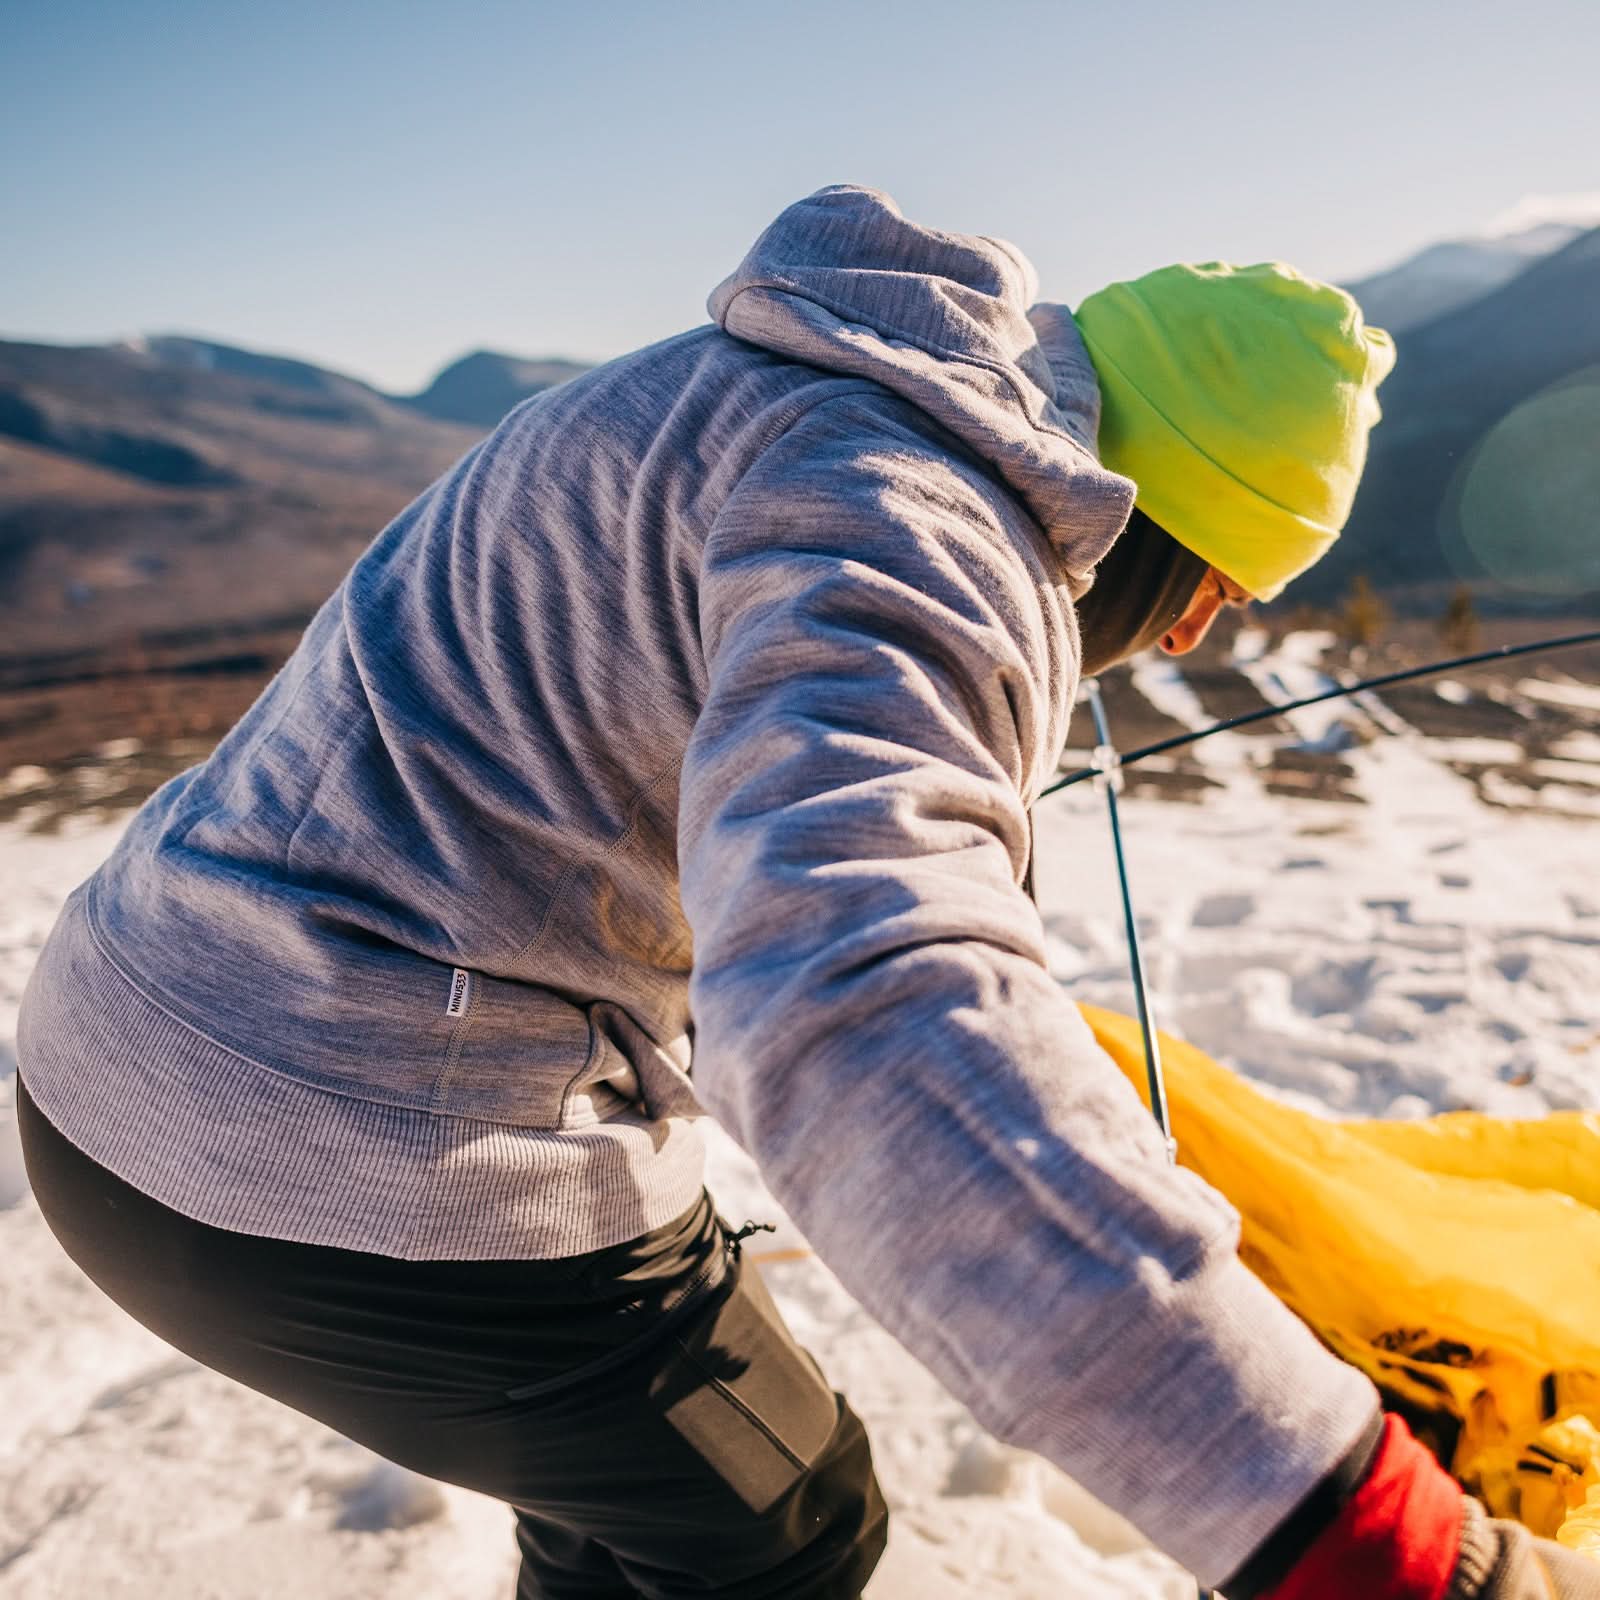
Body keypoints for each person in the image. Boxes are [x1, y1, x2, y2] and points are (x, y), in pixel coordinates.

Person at [13, 185, 1592, 1600]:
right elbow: (860, 994)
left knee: (649, 1505)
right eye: (1219, 597)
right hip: (316, 1136)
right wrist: (1365, 1534)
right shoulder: (910, 536)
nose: (1184, 646)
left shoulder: (764, 387)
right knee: (776, 1524)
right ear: (1170, 545)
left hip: (132, 1032)